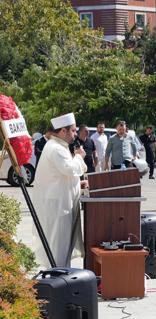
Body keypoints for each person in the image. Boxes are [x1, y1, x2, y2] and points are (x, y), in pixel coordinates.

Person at [31, 113, 88, 268]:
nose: (75, 134)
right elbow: (69, 169)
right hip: (58, 208)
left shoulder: (58, 146)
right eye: (74, 131)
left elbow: (63, 176)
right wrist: (79, 157)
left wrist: (78, 184)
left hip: (60, 206)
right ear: (63, 131)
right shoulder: (56, 148)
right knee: (59, 248)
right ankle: (58, 278)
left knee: (61, 247)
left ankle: (61, 276)